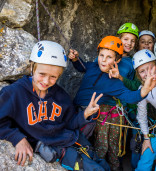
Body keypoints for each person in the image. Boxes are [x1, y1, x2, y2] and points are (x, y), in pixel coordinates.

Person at [0, 40, 110, 171]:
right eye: (42, 74)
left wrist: (85, 114)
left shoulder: (61, 96)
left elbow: (69, 123)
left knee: (102, 164)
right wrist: (18, 139)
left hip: (72, 138)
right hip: (57, 148)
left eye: (53, 77)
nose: (46, 81)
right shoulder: (14, 93)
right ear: (32, 67)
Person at [68, 36, 156, 171]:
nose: (103, 60)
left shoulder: (113, 82)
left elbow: (128, 96)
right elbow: (82, 66)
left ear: (117, 60)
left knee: (83, 144)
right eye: (101, 55)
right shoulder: (93, 66)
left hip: (88, 118)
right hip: (76, 110)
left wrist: (144, 91)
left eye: (109, 57)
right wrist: (75, 59)